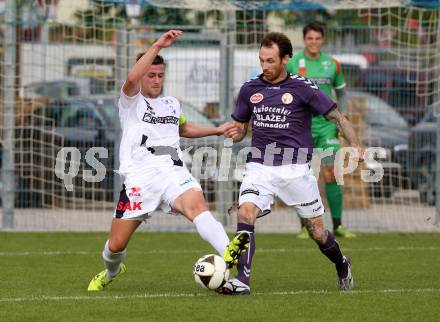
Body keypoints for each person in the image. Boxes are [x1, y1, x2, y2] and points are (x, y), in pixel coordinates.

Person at [87, 30, 249, 291]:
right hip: (140, 178)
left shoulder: (171, 104)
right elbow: (131, 77)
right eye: (150, 75)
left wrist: (217, 130)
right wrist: (158, 45)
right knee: (116, 245)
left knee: (197, 207)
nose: (156, 80)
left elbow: (183, 130)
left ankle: (229, 251)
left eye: (160, 75)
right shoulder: (131, 101)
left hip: (173, 171)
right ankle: (110, 271)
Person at [219, 31, 363, 295]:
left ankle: (342, 263)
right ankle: (242, 281)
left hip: (296, 170)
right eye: (262, 60)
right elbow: (241, 128)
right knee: (244, 213)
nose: (265, 66)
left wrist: (355, 145)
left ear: (286, 59)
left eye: (271, 61)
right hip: (259, 166)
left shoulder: (303, 87)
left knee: (317, 232)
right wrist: (236, 132)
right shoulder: (250, 89)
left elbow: (338, 118)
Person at [286, 22, 356, 239]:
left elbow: (342, 93)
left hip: (326, 126)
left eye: (317, 38)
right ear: (304, 40)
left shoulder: (332, 64)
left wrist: (342, 118)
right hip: (301, 126)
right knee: (300, 176)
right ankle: (304, 227)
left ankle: (337, 225)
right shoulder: (294, 64)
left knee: (331, 174)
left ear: (322, 40)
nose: (314, 42)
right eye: (310, 38)